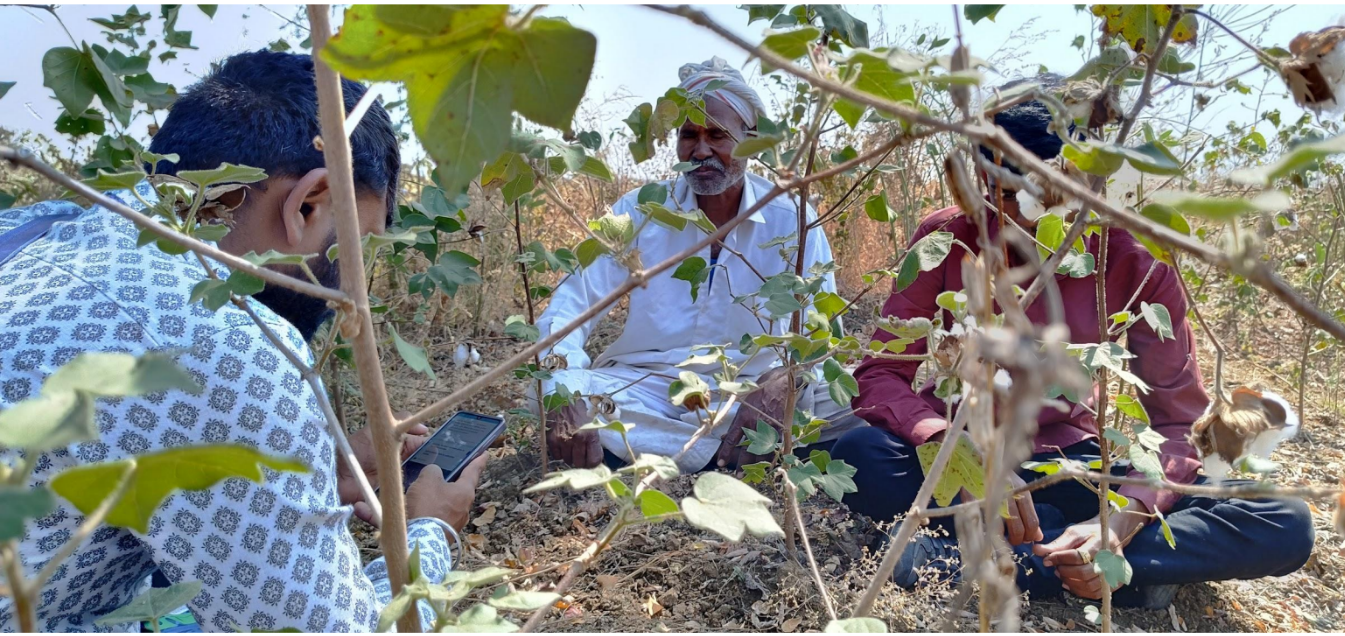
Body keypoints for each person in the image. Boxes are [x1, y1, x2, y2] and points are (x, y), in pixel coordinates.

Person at [0, 50, 482, 632]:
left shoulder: (38, 226)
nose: (354, 285)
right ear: (309, 203)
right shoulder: (222, 340)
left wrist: (305, 471)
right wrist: (432, 533)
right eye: (364, 246)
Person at [829, 84, 1314, 608]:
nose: (1011, 211)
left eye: (1033, 192)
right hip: (962, 451)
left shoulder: (1138, 260)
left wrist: (1123, 521)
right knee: (860, 455)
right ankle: (1129, 577)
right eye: (996, 190)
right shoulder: (947, 237)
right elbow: (880, 374)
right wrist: (960, 455)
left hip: (1077, 463)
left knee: (1283, 516)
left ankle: (1022, 561)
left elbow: (1178, 425)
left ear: (1085, 176)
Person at [536, 57, 864, 473]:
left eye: (718, 135)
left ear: (749, 140)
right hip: (648, 389)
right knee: (550, 390)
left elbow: (822, 336)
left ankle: (663, 452)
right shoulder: (641, 210)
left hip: (752, 395)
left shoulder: (792, 218)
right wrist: (566, 396)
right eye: (689, 135)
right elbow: (568, 308)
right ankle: (726, 454)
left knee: (861, 396)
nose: (702, 150)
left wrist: (785, 383)